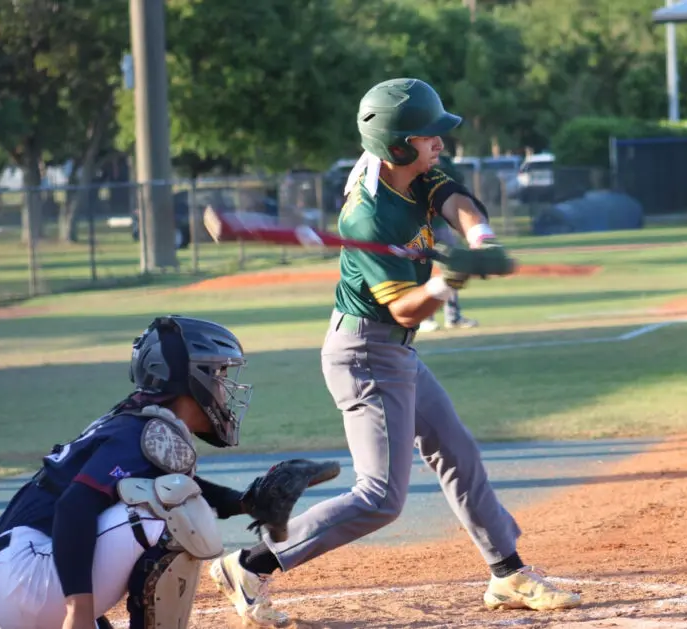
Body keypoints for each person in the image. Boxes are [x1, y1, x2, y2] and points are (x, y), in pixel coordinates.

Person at [209, 77, 582, 628]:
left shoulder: (412, 173)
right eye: (429, 136)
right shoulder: (367, 216)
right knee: (381, 496)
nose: (440, 143)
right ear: (400, 145)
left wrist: (480, 242)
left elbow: (456, 201)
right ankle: (250, 564)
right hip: (365, 352)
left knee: (456, 450)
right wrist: (445, 282)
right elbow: (407, 310)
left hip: (393, 351)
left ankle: (507, 573)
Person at [0, 315, 337, 629]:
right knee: (177, 512)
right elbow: (75, 507)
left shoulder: (137, 424)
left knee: (170, 496)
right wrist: (79, 612)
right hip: (25, 582)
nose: (225, 388)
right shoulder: (141, 431)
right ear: (191, 379)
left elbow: (169, 485)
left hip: (7, 591)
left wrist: (247, 503)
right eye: (218, 374)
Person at [418, 153, 479, 332]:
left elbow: (456, 182)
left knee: (454, 267)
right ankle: (424, 318)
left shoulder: (442, 159)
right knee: (421, 271)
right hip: (416, 226)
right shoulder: (410, 156)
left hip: (438, 224)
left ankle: (453, 316)